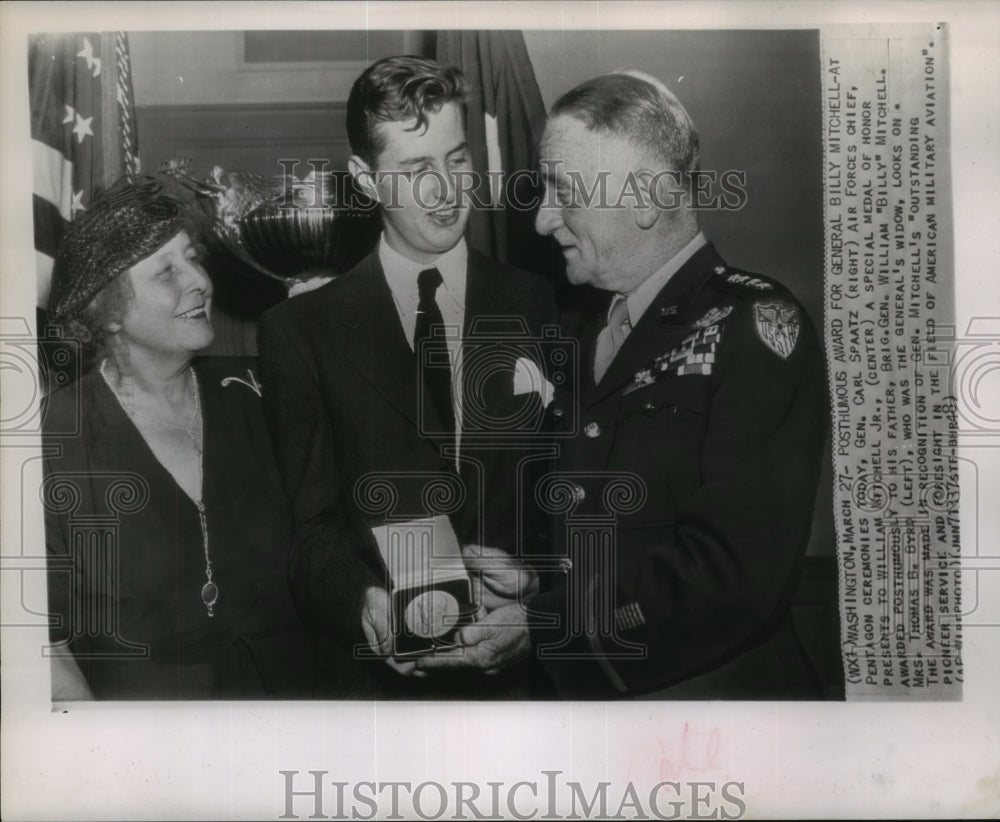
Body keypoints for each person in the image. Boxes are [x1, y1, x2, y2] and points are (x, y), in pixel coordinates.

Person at [419, 71, 828, 699]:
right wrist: (538, 587)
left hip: (714, 716)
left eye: (562, 191)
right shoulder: (584, 335)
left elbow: (732, 577)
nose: (541, 219)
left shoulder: (753, 327)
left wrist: (546, 621)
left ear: (644, 197)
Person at [257, 56, 557, 697]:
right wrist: (361, 600)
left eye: (456, 159)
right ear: (366, 180)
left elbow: (577, 495)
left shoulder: (546, 306)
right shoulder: (299, 332)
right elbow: (310, 530)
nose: (449, 192)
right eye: (417, 171)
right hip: (380, 694)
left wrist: (539, 591)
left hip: (528, 685)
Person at [42, 177, 316, 699]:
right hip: (144, 749)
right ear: (109, 310)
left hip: (290, 721)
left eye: (193, 259)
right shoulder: (56, 436)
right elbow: (44, 645)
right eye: (167, 271)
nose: (199, 282)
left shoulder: (258, 392)